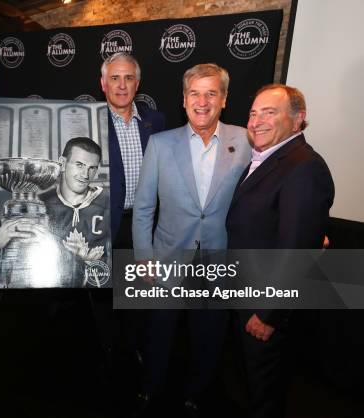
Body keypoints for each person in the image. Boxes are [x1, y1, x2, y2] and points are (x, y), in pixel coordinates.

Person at [132, 63, 251, 416]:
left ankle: (197, 393)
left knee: (209, 335)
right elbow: (142, 208)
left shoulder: (245, 140)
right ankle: (149, 388)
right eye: (195, 93)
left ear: (224, 99)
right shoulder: (160, 144)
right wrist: (144, 257)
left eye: (211, 93)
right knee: (160, 331)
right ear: (184, 100)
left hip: (218, 258)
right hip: (168, 257)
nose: (203, 101)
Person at [226, 84, 334, 418]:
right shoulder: (269, 158)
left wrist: (269, 314)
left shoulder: (304, 167)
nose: (256, 121)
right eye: (253, 113)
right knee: (249, 387)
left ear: (298, 119)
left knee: (265, 396)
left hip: (264, 309)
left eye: (269, 113)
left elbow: (296, 251)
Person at [0, 137, 111, 288]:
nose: (85, 175)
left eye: (92, 168)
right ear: (62, 163)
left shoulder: (107, 205)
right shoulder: (38, 205)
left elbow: (106, 273)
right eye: (79, 165)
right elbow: (12, 269)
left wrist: (82, 260)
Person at [101, 52, 165, 247]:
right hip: (105, 227)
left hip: (147, 226)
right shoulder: (92, 122)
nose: (122, 85)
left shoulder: (156, 121)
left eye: (128, 78)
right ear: (103, 84)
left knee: (144, 278)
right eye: (114, 78)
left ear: (137, 84)